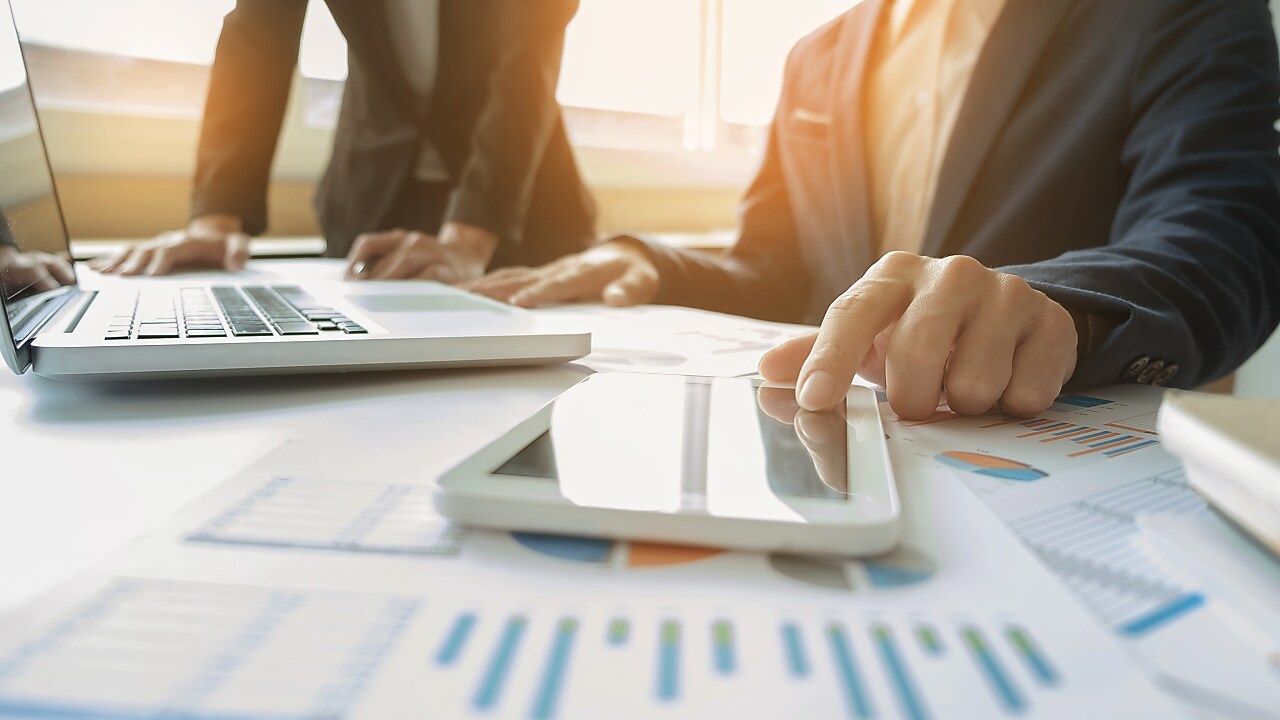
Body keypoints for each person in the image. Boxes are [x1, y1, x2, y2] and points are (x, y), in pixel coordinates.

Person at [465, 0, 1280, 421]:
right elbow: (779, 266)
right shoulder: (816, 57)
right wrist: (653, 260)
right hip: (836, 444)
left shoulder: (1173, 11)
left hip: (1041, 460)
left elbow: (1224, 232)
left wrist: (1059, 308)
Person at [91, 0, 596, 284]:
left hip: (519, 209)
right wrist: (216, 220)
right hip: (371, 205)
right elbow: (258, 35)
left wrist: (468, 240)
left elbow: (528, 58)